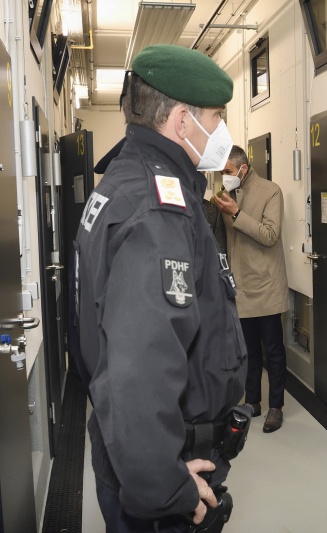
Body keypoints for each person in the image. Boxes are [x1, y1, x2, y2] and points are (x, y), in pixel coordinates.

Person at [73, 44, 248, 532]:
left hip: (133, 445)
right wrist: (166, 485)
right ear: (182, 121)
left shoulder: (124, 181)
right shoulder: (157, 208)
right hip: (167, 461)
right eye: (216, 116)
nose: (222, 130)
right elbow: (137, 366)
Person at [213, 146, 289, 433]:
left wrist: (236, 213)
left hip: (265, 285)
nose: (224, 177)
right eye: (222, 172)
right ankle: (253, 401)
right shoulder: (226, 194)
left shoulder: (271, 191)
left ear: (243, 168)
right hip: (239, 286)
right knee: (248, 351)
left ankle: (276, 407)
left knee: (273, 350)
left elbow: (269, 235)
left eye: (228, 172)